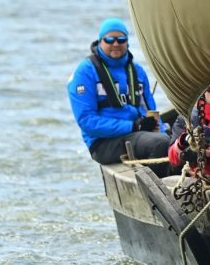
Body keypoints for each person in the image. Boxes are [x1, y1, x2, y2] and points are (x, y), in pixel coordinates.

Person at [68, 17, 170, 172]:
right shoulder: (85, 72)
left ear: (127, 42)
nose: (115, 44)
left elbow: (151, 112)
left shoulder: (137, 72)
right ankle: (160, 190)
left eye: (121, 39)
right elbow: (86, 121)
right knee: (159, 143)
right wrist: (132, 126)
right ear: (100, 41)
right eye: (109, 40)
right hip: (103, 143)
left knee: (174, 139)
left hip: (136, 133)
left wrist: (165, 134)